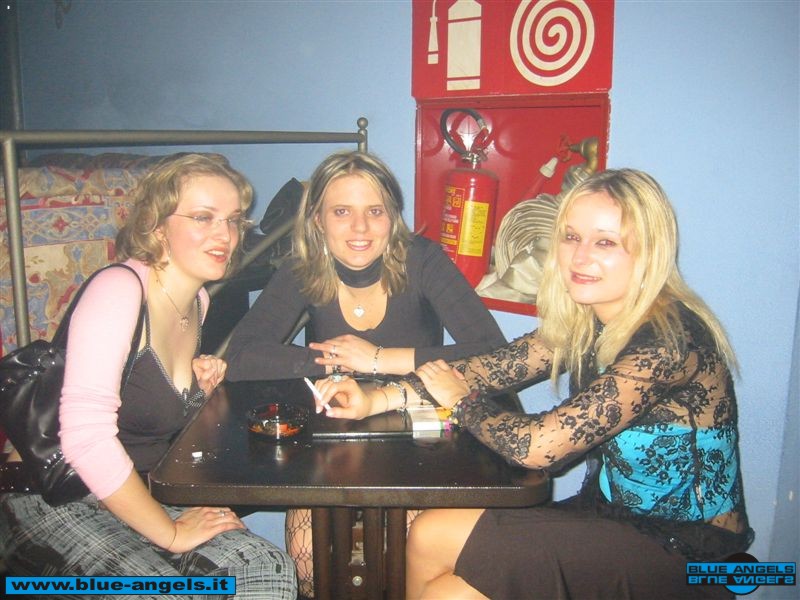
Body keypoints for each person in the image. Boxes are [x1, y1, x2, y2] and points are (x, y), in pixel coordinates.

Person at [313, 168, 753, 599]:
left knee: (445, 577)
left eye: (604, 242)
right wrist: (376, 399)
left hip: (686, 550)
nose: (579, 257)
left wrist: (462, 402)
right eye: (571, 237)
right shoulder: (588, 320)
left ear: (649, 251)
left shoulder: (669, 343)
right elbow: (490, 368)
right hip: (609, 514)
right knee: (432, 544)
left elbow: (536, 448)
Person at [0, 154, 297, 599]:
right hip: (50, 497)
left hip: (132, 492)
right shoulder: (119, 289)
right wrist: (171, 533)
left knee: (264, 567)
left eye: (233, 220)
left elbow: (147, 419)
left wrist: (197, 396)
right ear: (158, 226)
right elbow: (86, 440)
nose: (226, 235)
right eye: (203, 217)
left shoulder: (197, 302)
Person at [225, 149, 507, 597]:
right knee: (308, 558)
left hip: (419, 433)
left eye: (375, 211)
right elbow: (241, 356)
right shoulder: (302, 268)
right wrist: (336, 362)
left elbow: (494, 353)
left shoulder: (423, 260)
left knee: (401, 557)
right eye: (342, 211)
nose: (360, 228)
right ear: (317, 219)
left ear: (393, 217)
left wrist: (378, 359)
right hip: (337, 436)